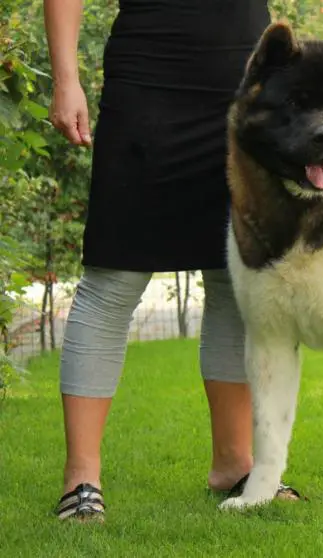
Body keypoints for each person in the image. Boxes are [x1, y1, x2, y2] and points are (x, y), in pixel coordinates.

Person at [43, 0, 300, 521]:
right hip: (146, 80)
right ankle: (81, 478)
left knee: (235, 282)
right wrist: (66, 79)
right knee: (113, 277)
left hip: (245, 86)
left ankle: (235, 465)